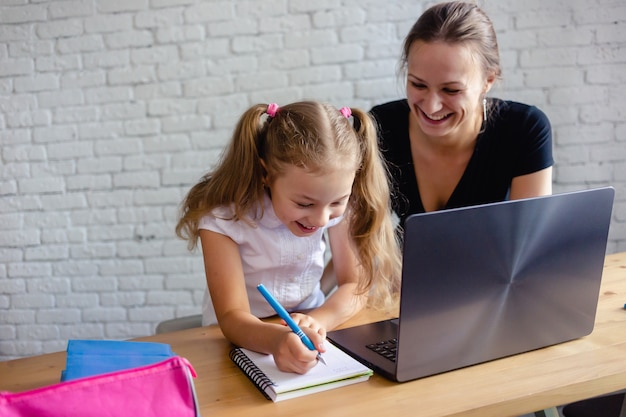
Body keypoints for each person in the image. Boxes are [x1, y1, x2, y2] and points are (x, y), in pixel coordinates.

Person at [175, 101, 401, 374]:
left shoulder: (339, 203)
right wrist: (277, 340)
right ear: (265, 174)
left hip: (308, 327)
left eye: (336, 202)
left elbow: (355, 284)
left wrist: (317, 321)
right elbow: (231, 318)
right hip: (234, 340)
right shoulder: (222, 218)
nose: (320, 219)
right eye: (304, 204)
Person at [371, 1, 554, 228]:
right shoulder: (381, 125)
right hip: (405, 264)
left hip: (493, 264)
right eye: (418, 85)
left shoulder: (523, 128)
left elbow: (529, 239)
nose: (431, 106)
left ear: (488, 81)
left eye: (451, 90)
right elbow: (363, 238)